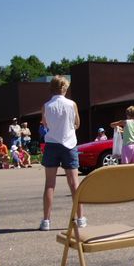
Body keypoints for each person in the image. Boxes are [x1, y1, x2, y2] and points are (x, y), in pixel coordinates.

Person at [40, 75, 86, 231]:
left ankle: (46, 221)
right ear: (65, 88)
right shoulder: (72, 104)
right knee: (74, 183)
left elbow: (45, 124)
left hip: (52, 144)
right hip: (69, 144)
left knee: (49, 184)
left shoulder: (46, 106)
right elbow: (77, 124)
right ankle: (80, 218)